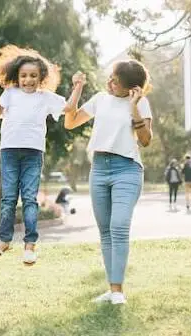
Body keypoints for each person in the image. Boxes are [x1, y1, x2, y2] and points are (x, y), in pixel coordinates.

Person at [64, 59, 153, 305]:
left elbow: (145, 140)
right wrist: (78, 88)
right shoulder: (100, 99)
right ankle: (113, 289)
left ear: (132, 88)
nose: (110, 82)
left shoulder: (141, 103)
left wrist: (134, 107)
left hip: (127, 169)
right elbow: (69, 122)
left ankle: (117, 292)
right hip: (100, 169)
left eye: (116, 81)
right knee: (105, 232)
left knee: (119, 226)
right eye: (111, 77)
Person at [0, 45, 72, 265]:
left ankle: (30, 246)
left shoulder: (45, 97)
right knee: (8, 200)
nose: (28, 80)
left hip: (33, 153)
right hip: (9, 152)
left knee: (30, 199)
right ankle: (4, 241)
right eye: (23, 76)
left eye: (33, 75)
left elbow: (69, 107)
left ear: (41, 77)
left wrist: (78, 86)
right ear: (17, 76)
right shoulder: (11, 93)